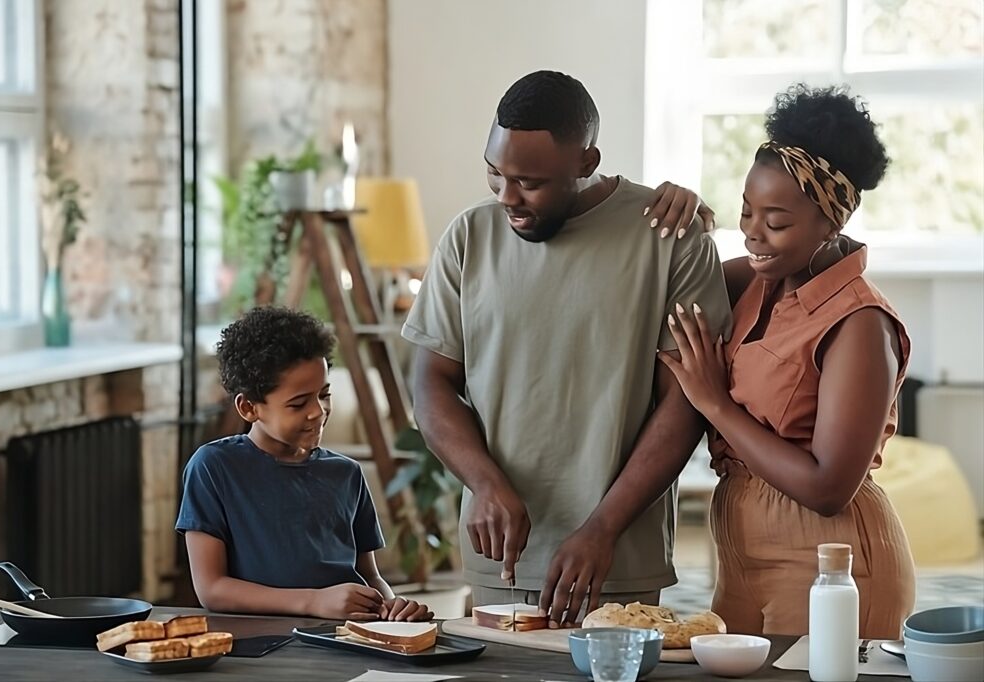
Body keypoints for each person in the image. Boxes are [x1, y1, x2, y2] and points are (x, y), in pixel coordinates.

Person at [401, 70, 732, 628]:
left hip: (618, 557)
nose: (509, 198)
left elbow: (685, 404)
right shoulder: (468, 237)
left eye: (529, 181)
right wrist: (484, 482)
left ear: (586, 160)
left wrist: (602, 529)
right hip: (499, 559)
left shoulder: (670, 237)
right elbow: (430, 382)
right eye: (494, 174)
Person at [659, 83, 915, 638]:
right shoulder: (751, 281)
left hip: (833, 565)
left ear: (831, 223)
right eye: (746, 212)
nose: (753, 233)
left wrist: (715, 405)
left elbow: (828, 488)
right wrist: (676, 215)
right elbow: (659, 285)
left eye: (776, 221)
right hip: (741, 556)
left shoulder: (860, 324)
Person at [176, 307, 432, 621]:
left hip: (347, 640)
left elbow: (370, 577)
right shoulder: (214, 468)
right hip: (262, 648)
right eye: (298, 403)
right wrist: (314, 602)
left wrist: (392, 608)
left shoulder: (346, 474)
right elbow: (212, 589)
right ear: (248, 407)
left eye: (324, 394)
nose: (318, 411)